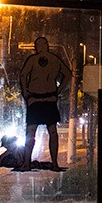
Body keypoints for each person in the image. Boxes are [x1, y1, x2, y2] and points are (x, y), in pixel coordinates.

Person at [18, 36, 71, 171]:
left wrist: (26, 92)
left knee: (34, 132)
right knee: (49, 132)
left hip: (39, 99)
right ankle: (50, 164)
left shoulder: (34, 60)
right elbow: (68, 75)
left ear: (39, 46)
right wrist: (58, 90)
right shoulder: (54, 60)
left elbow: (24, 76)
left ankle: (29, 163)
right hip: (44, 98)